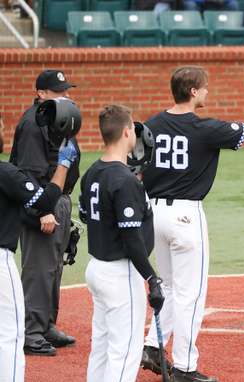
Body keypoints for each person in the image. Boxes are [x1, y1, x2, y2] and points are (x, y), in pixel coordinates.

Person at [138, 66, 244, 382]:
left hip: (154, 214)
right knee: (189, 293)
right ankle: (184, 367)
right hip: (186, 217)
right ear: (193, 92)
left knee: (166, 285)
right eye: (205, 88)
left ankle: (152, 346)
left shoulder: (150, 124)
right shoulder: (204, 128)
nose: (208, 92)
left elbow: (134, 167)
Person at [78, 104, 165, 382]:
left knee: (102, 349)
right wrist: (151, 278)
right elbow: (131, 239)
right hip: (119, 274)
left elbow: (85, 214)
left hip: (97, 269)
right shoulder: (124, 180)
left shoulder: (92, 171)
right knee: (124, 352)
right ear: (127, 131)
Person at [0, 111, 77, 382]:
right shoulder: (6, 173)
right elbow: (44, 200)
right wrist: (63, 166)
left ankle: (43, 326)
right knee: (10, 329)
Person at [9, 70, 81, 357]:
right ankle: (31, 333)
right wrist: (42, 211)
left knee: (53, 269)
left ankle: (46, 325)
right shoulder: (33, 122)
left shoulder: (57, 120)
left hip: (58, 201)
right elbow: (28, 173)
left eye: (66, 90)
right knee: (39, 270)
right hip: (42, 206)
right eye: (58, 92)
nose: (65, 95)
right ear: (41, 94)